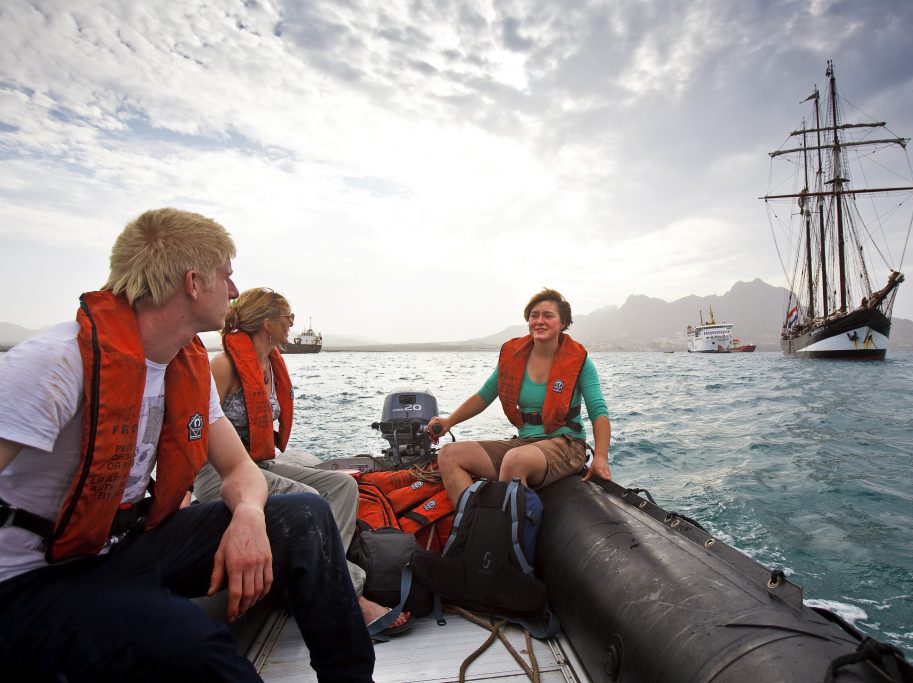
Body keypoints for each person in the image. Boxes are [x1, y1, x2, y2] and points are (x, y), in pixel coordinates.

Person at [0, 208, 374, 682]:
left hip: (126, 548)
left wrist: (249, 518)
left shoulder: (181, 365)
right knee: (194, 645)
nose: (235, 291)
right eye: (228, 275)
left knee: (307, 513)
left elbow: (240, 471)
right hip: (36, 579)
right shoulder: (54, 363)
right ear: (194, 283)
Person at [192, 286, 410, 633]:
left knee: (342, 487)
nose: (293, 322)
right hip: (220, 474)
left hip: (258, 466)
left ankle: (318, 580)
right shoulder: (224, 366)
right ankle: (347, 595)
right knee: (309, 501)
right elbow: (195, 434)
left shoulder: (268, 365)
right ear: (267, 322)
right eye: (288, 316)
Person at [428, 287, 612, 506]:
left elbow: (598, 410)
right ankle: (473, 525)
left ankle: (504, 535)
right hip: (527, 442)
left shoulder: (579, 361)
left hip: (566, 444)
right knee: (449, 454)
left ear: (563, 323)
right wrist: (449, 421)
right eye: (534, 315)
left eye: (548, 315)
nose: (539, 321)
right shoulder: (514, 358)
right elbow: (484, 396)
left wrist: (600, 456)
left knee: (514, 461)